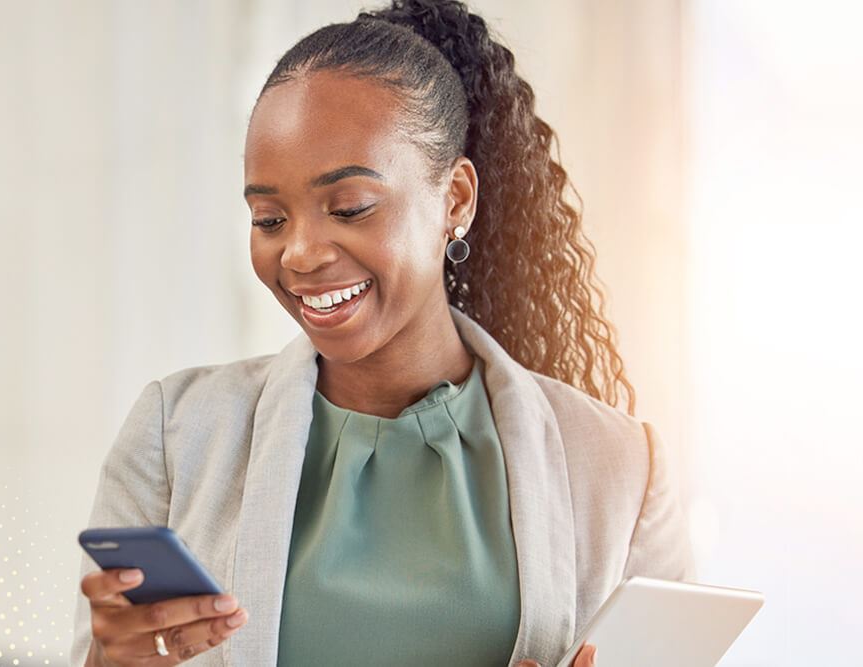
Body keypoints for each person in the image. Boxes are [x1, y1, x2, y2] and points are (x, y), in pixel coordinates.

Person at [70, 0, 696, 665]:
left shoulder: (620, 470)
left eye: (349, 208)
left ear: (454, 199)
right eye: (270, 218)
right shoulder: (176, 436)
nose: (302, 253)